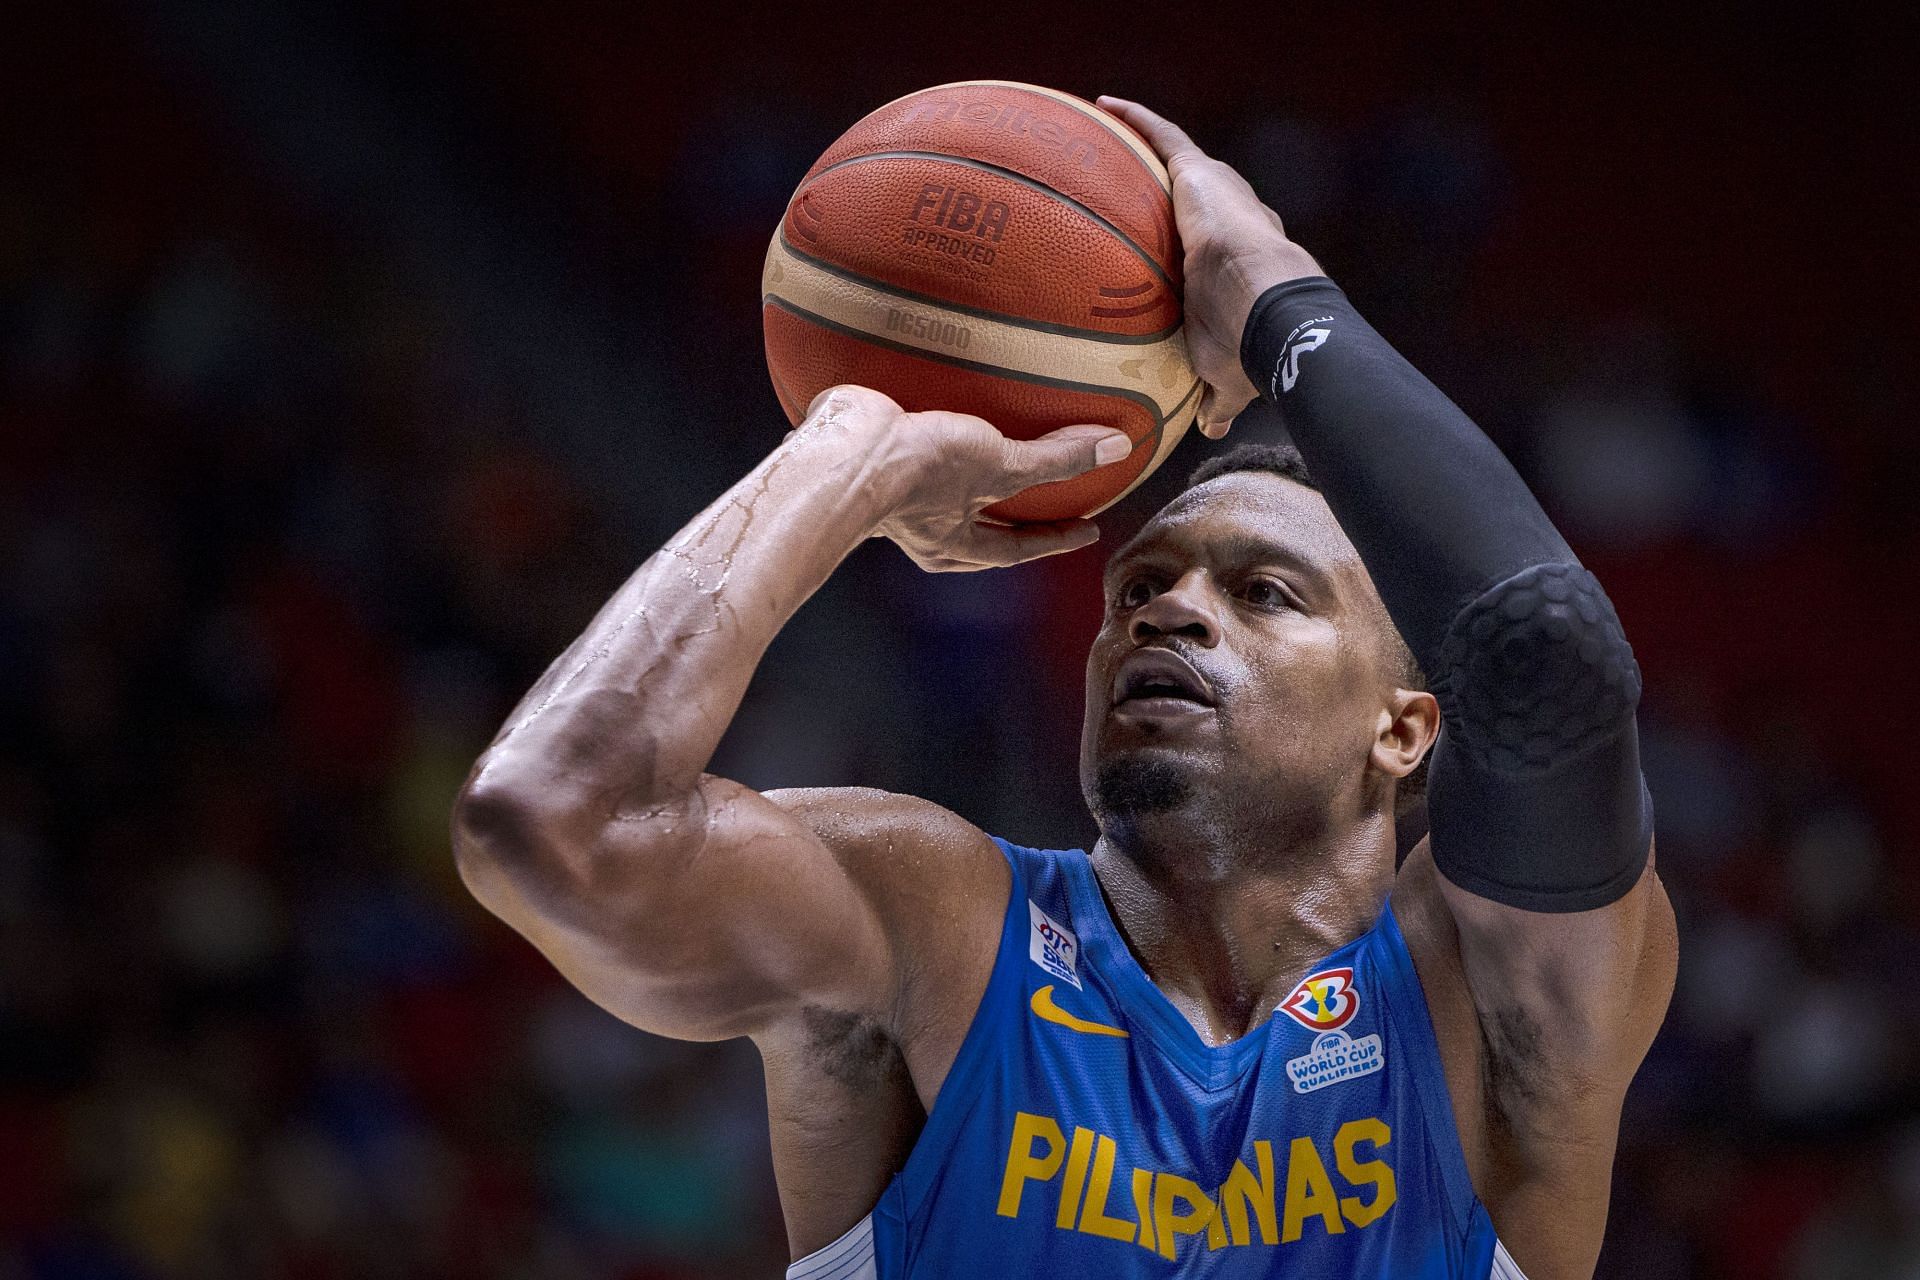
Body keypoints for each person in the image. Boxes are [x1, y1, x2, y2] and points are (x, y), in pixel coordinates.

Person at [451, 97, 1677, 1279]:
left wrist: (1265, 292)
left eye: (1265, 593)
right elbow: (552, 819)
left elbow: (1550, 657)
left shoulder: (1473, 997)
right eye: (1139, 586)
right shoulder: (938, 924)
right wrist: (852, 451)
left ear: (1405, 729)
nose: (1170, 609)